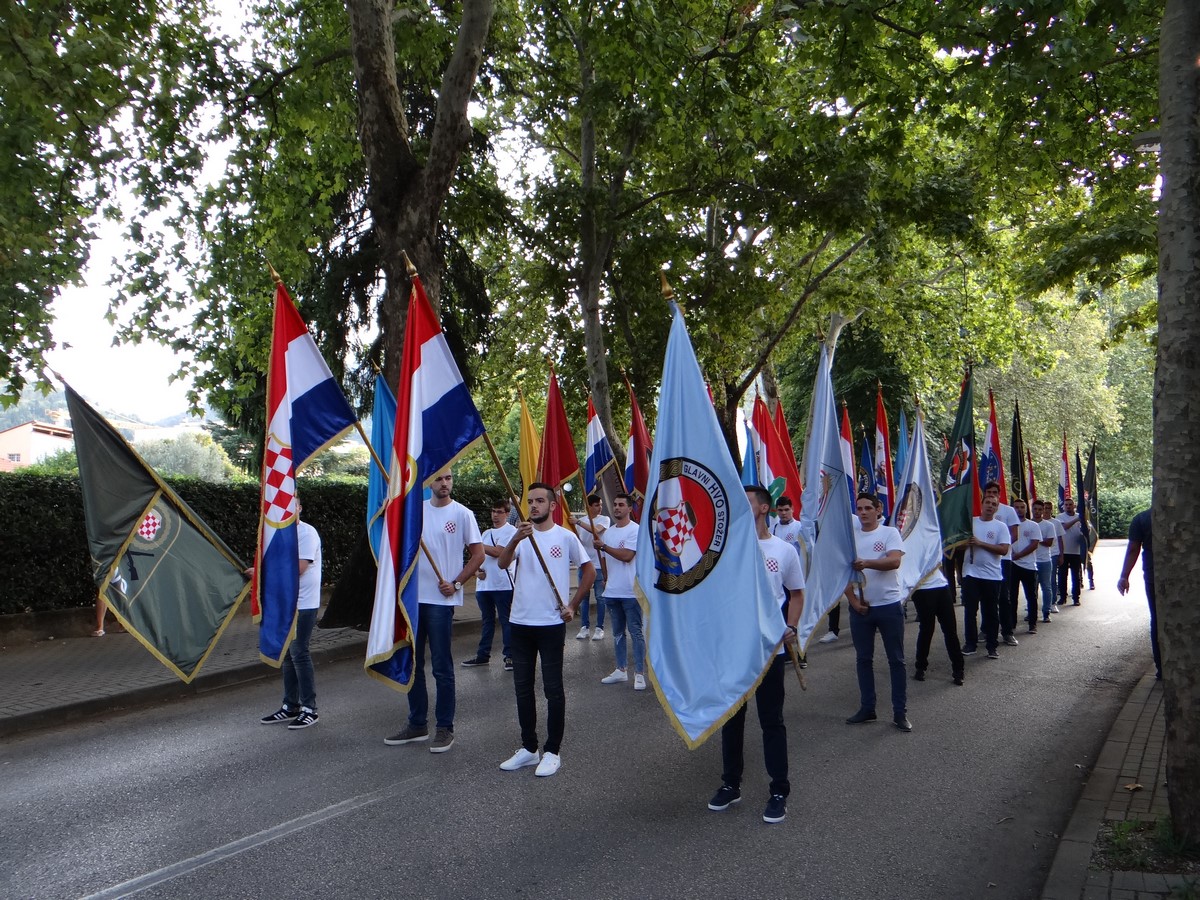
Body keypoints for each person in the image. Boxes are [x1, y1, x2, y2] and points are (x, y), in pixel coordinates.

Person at [708, 486, 804, 824]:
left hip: (768, 651)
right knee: (732, 718)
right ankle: (730, 784)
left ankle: (779, 789)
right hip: (735, 650)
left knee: (771, 720)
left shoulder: (784, 550)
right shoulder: (726, 550)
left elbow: (796, 593)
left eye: (746, 502)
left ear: (763, 508)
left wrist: (790, 627)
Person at [496, 483, 595, 777]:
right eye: (530, 501)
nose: (534, 506)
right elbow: (502, 563)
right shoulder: (522, 537)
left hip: (550, 625)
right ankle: (529, 748)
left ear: (553, 506)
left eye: (540, 501)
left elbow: (588, 570)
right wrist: (515, 538)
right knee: (522, 689)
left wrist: (574, 605)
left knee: (553, 689)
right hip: (520, 623)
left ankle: (552, 751)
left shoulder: (565, 537)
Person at [384, 469, 483, 753]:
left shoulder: (463, 514)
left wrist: (457, 582)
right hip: (413, 600)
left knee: (441, 666)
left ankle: (444, 727)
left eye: (449, 478)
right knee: (413, 665)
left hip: (442, 601)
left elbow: (477, 555)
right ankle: (417, 724)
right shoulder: (415, 511)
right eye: (439, 478)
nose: (445, 483)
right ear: (429, 482)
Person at [843, 493, 910, 731]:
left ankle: (899, 712)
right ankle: (867, 707)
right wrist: (852, 601)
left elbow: (894, 562)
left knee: (896, 660)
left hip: (889, 606)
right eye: (859, 508)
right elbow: (843, 574)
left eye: (868, 508)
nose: (862, 512)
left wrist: (867, 563)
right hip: (861, 609)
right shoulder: (850, 538)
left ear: (877, 509)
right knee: (863, 660)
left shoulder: (889, 533)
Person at [259, 502, 323, 730]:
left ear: (300, 508)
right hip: (285, 604)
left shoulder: (305, 532)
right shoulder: (276, 534)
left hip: (304, 604)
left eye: (291, 505)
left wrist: (261, 573)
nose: (287, 509)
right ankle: (290, 705)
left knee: (299, 652)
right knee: (287, 655)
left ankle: (309, 709)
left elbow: (298, 568)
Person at [596, 494, 645, 690]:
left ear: (630, 508)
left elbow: (627, 556)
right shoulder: (608, 533)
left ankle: (640, 673)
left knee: (636, 632)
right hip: (612, 591)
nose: (616, 507)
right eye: (615, 504)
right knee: (617, 633)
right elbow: (604, 560)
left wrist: (604, 547)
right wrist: (606, 578)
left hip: (630, 591)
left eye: (621, 505)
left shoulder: (636, 530)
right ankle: (621, 669)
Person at [462, 498, 517, 671]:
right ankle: (482, 655)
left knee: (506, 621)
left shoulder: (511, 531)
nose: (495, 515)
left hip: (503, 585)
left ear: (507, 514)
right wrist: (477, 572)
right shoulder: (485, 533)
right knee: (487, 622)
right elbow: (476, 559)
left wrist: (475, 545)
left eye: (499, 512)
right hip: (484, 587)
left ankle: (510, 657)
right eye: (493, 511)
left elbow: (498, 552)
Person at [960, 493, 1012, 660]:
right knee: (970, 611)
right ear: (981, 504)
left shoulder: (1000, 527)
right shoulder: (971, 523)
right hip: (971, 574)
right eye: (987, 502)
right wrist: (964, 543)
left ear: (997, 508)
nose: (990, 506)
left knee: (991, 612)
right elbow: (956, 546)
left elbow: (1004, 550)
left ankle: (992, 645)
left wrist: (981, 543)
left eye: (993, 504)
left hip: (992, 576)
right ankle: (970, 643)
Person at [1118, 509, 1159, 680]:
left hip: (1153, 574)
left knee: (1156, 618)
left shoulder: (1142, 518)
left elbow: (1133, 549)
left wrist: (1124, 576)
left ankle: (1161, 667)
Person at [911, 563, 965, 686]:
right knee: (927, 629)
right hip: (921, 588)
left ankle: (958, 670)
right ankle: (920, 667)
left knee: (950, 629)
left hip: (941, 585)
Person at [983, 481, 1021, 645]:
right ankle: (986, 629)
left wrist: (999, 546)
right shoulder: (982, 509)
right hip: (985, 560)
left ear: (999, 494)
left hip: (1003, 559)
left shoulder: (1009, 510)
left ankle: (1007, 631)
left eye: (994, 492)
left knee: (1004, 597)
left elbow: (1014, 535)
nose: (991, 495)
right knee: (986, 596)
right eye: (988, 492)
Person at [571, 494, 609, 641]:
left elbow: (596, 531)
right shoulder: (582, 521)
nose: (600, 507)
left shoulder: (604, 519)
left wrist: (578, 522)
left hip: (599, 565)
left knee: (600, 597)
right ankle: (584, 627)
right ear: (589, 506)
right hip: (585, 564)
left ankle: (599, 628)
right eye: (597, 505)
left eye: (600, 505)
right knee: (584, 597)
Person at [1009, 497, 1042, 634]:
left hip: (1028, 566)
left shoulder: (1033, 525)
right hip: (1011, 565)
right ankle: (1011, 624)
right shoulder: (1007, 525)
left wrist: (1019, 555)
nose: (1019, 509)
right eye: (1016, 507)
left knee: (1031, 596)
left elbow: (1034, 544)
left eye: (1022, 507)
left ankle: (1032, 624)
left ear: (1026, 509)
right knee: (1012, 596)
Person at [1032, 500, 1057, 623]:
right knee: (1032, 589)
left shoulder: (1049, 525)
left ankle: (1046, 612)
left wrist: (1037, 539)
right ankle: (1032, 613)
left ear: (1043, 511)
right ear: (1032, 509)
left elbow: (1049, 542)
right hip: (1030, 560)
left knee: (1046, 587)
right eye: (1035, 509)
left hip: (1045, 560)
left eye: (1040, 509)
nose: (1037, 511)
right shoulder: (1027, 524)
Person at [1056, 497, 1083, 607]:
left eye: (1070, 504)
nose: (1068, 506)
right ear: (1063, 506)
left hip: (1076, 551)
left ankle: (1076, 598)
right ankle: (1063, 597)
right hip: (1064, 550)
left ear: (1074, 506)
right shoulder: (1060, 517)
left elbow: (1087, 531)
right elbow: (1064, 527)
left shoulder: (1080, 517)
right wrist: (1076, 520)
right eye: (1066, 505)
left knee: (1076, 575)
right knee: (1063, 575)